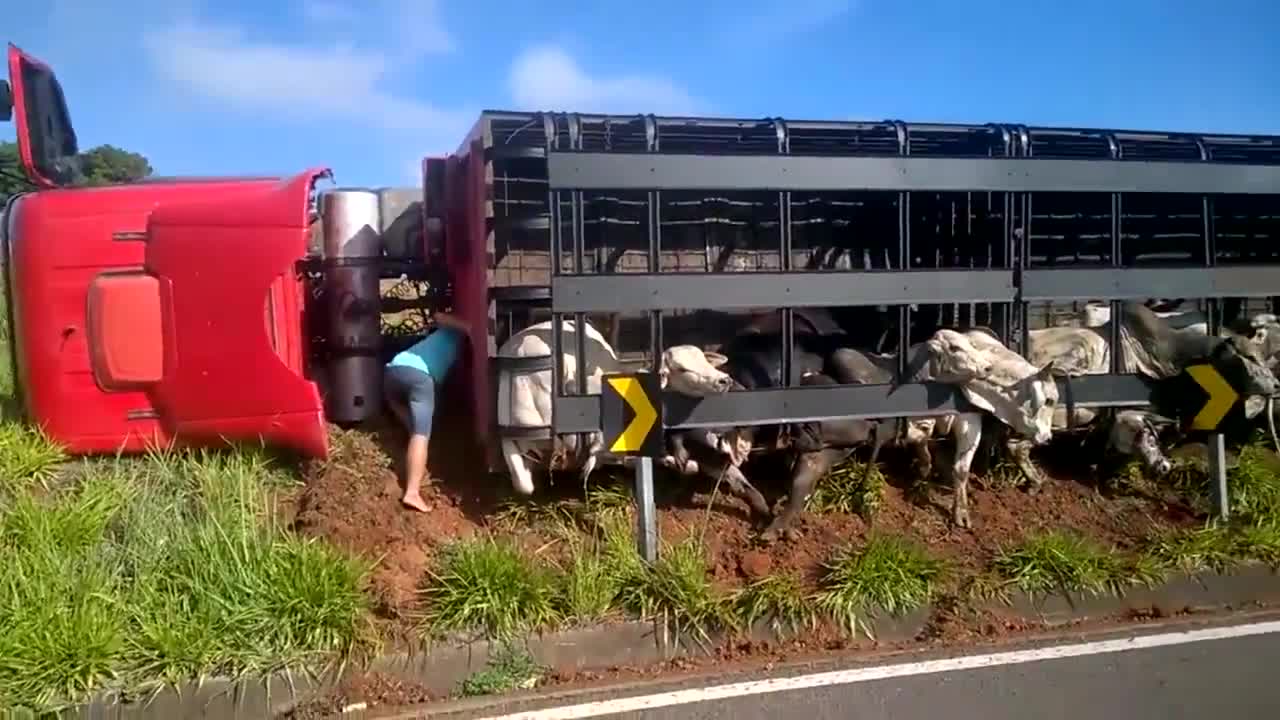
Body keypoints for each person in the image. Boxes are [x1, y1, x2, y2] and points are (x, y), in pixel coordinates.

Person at [383, 311, 468, 512]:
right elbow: (438, 316)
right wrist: (468, 326)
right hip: (420, 376)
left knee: (414, 430)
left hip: (393, 372)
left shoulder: (446, 336)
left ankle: (415, 465)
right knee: (421, 435)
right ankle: (412, 492)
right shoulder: (459, 330)